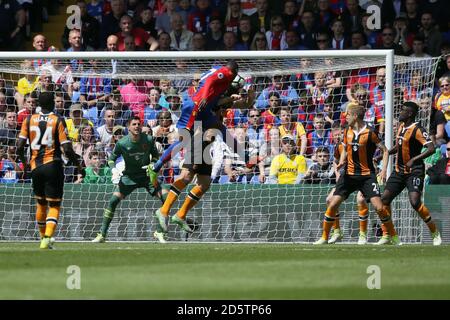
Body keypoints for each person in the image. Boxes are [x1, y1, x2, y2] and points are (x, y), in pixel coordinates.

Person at [314, 104, 399, 245]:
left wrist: (384, 169)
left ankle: (392, 236)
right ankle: (325, 237)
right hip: (349, 175)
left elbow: (384, 150)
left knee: (379, 207)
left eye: (347, 114)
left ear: (355, 116)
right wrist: (341, 162)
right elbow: (346, 149)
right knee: (332, 203)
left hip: (367, 175)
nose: (345, 117)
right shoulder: (347, 131)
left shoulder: (371, 132)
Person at [16, 92, 82, 249]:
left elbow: (19, 146)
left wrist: (25, 164)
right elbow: (67, 148)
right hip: (53, 165)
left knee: (40, 203)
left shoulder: (29, 119)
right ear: (52, 103)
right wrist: (78, 165)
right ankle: (47, 237)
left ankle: (42, 238)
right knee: (54, 205)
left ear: (39, 104)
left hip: (35, 167)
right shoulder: (57, 120)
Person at [150, 60, 239, 174]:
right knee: (183, 140)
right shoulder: (225, 72)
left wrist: (230, 98)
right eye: (235, 75)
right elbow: (210, 80)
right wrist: (205, 97)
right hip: (195, 107)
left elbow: (215, 101)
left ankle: (242, 156)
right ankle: (157, 165)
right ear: (233, 72)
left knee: (219, 127)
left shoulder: (219, 75)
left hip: (204, 110)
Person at [92, 116, 168, 243]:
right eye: (134, 124)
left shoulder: (148, 139)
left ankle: (159, 232)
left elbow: (155, 156)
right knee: (113, 201)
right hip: (129, 177)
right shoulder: (122, 143)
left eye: (139, 124)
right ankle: (102, 234)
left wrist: (152, 164)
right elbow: (111, 159)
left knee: (166, 198)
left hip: (147, 176)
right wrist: (113, 169)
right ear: (128, 127)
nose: (137, 126)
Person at [381, 102, 442, 245]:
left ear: (409, 114)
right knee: (384, 200)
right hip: (398, 171)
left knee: (414, 202)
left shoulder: (418, 129)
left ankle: (434, 232)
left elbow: (431, 148)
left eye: (402, 110)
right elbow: (400, 146)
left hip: (414, 171)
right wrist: (387, 153)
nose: (400, 112)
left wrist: (414, 159)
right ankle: (387, 234)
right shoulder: (402, 127)